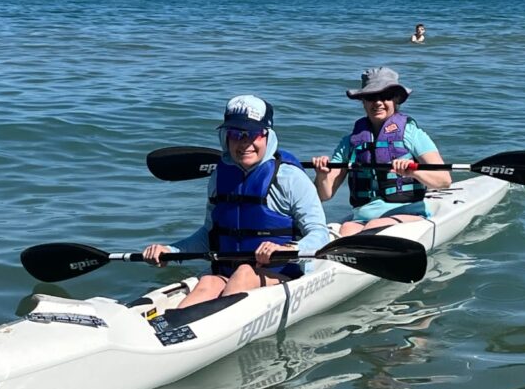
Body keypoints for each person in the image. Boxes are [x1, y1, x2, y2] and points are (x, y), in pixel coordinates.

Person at [143, 95, 330, 308]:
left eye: (254, 134)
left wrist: (289, 250)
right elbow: (209, 234)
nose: (244, 143)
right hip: (226, 272)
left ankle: (210, 326)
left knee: (244, 273)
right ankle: (173, 325)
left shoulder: (290, 178)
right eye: (235, 134)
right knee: (208, 282)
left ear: (267, 136)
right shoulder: (219, 176)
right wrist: (171, 251)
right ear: (225, 137)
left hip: (282, 274)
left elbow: (319, 234)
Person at [312, 67, 451, 237]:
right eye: (371, 97)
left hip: (407, 215)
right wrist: (322, 174)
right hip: (362, 219)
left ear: (396, 100)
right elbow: (324, 195)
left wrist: (414, 171)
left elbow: (444, 180)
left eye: (385, 96)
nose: (377, 103)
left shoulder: (412, 134)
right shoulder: (350, 142)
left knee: (375, 225)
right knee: (348, 228)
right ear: (363, 101)